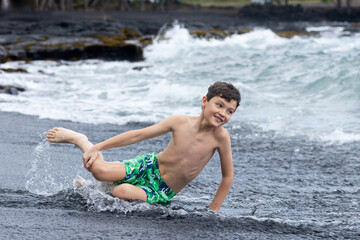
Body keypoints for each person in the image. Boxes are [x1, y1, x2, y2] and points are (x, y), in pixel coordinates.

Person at [46, 81, 241, 212]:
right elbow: (138, 135)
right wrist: (98, 147)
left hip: (162, 189)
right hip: (149, 165)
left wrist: (212, 210)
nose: (223, 113)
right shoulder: (179, 122)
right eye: (220, 105)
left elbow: (227, 176)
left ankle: (102, 187)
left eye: (230, 111)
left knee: (121, 192)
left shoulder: (221, 138)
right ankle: (81, 140)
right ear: (205, 101)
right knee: (97, 170)